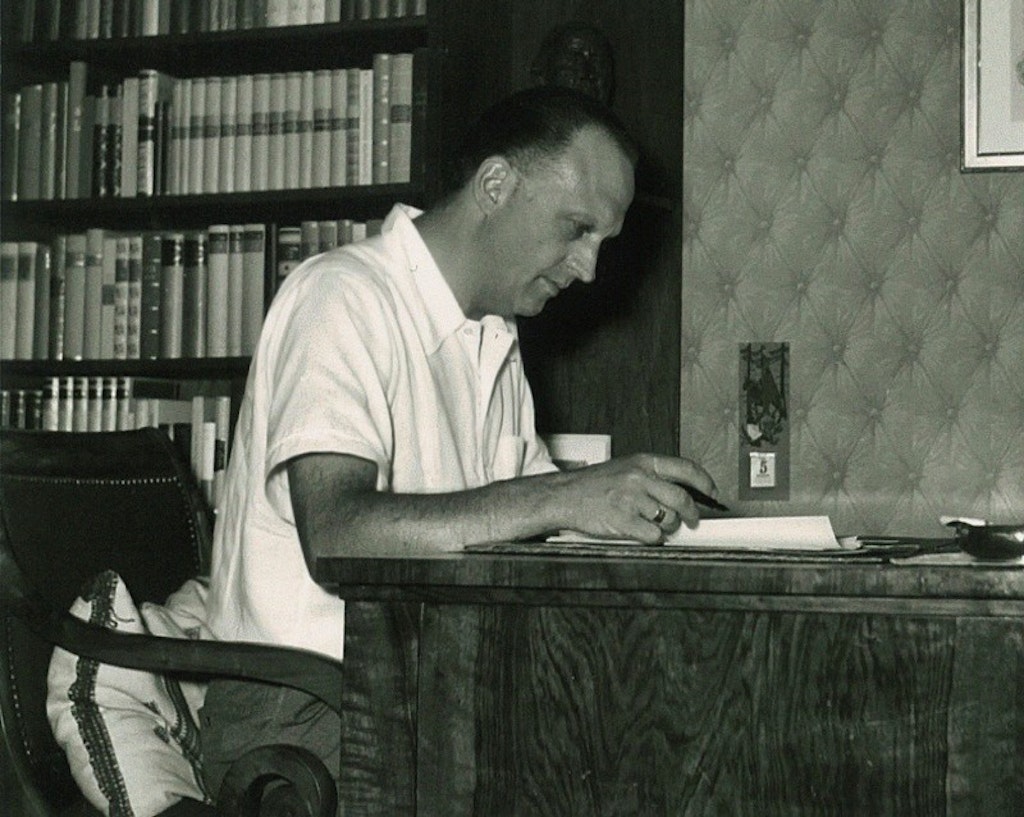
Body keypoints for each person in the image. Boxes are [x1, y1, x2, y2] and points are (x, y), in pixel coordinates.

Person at [199, 84, 719, 800]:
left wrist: (649, 522)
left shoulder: (493, 340)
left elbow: (542, 523)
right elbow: (338, 531)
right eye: (576, 228)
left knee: (658, 751)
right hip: (304, 710)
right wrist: (563, 495)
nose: (590, 267)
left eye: (604, 241)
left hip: (421, 693)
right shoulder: (341, 296)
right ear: (496, 185)